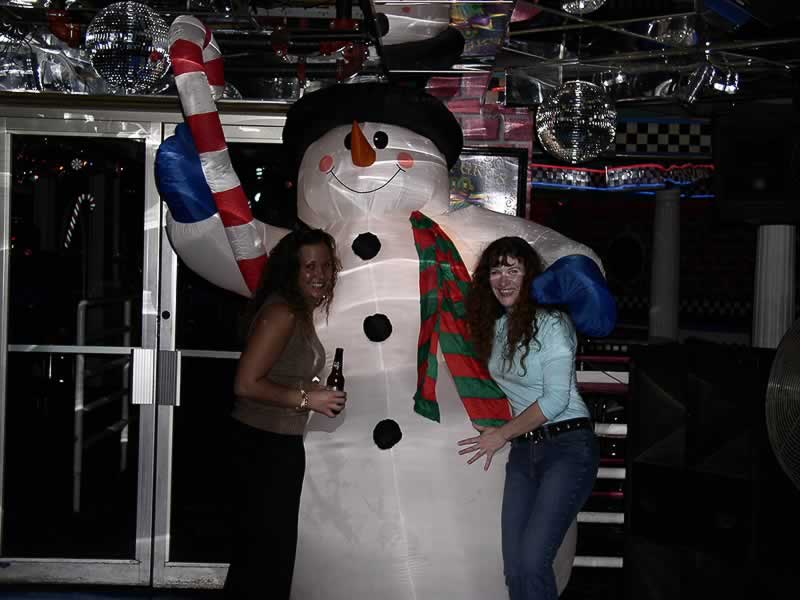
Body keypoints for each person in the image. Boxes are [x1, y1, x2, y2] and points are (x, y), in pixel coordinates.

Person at [457, 236, 600, 600]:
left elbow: (555, 400)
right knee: (516, 567)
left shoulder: (553, 324)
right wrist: (497, 425)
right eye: (496, 270)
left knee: (534, 562)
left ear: (530, 276)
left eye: (513, 270)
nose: (503, 279)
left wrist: (501, 434)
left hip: (568, 446)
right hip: (524, 451)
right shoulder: (494, 327)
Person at [224, 228, 346, 600]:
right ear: (291, 270)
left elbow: (279, 374)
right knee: (263, 558)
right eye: (309, 266)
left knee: (264, 556)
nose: (319, 274)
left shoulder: (298, 310)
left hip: (275, 443)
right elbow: (245, 384)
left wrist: (310, 390)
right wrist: (308, 399)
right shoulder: (283, 312)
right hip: (263, 445)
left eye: (325, 265)